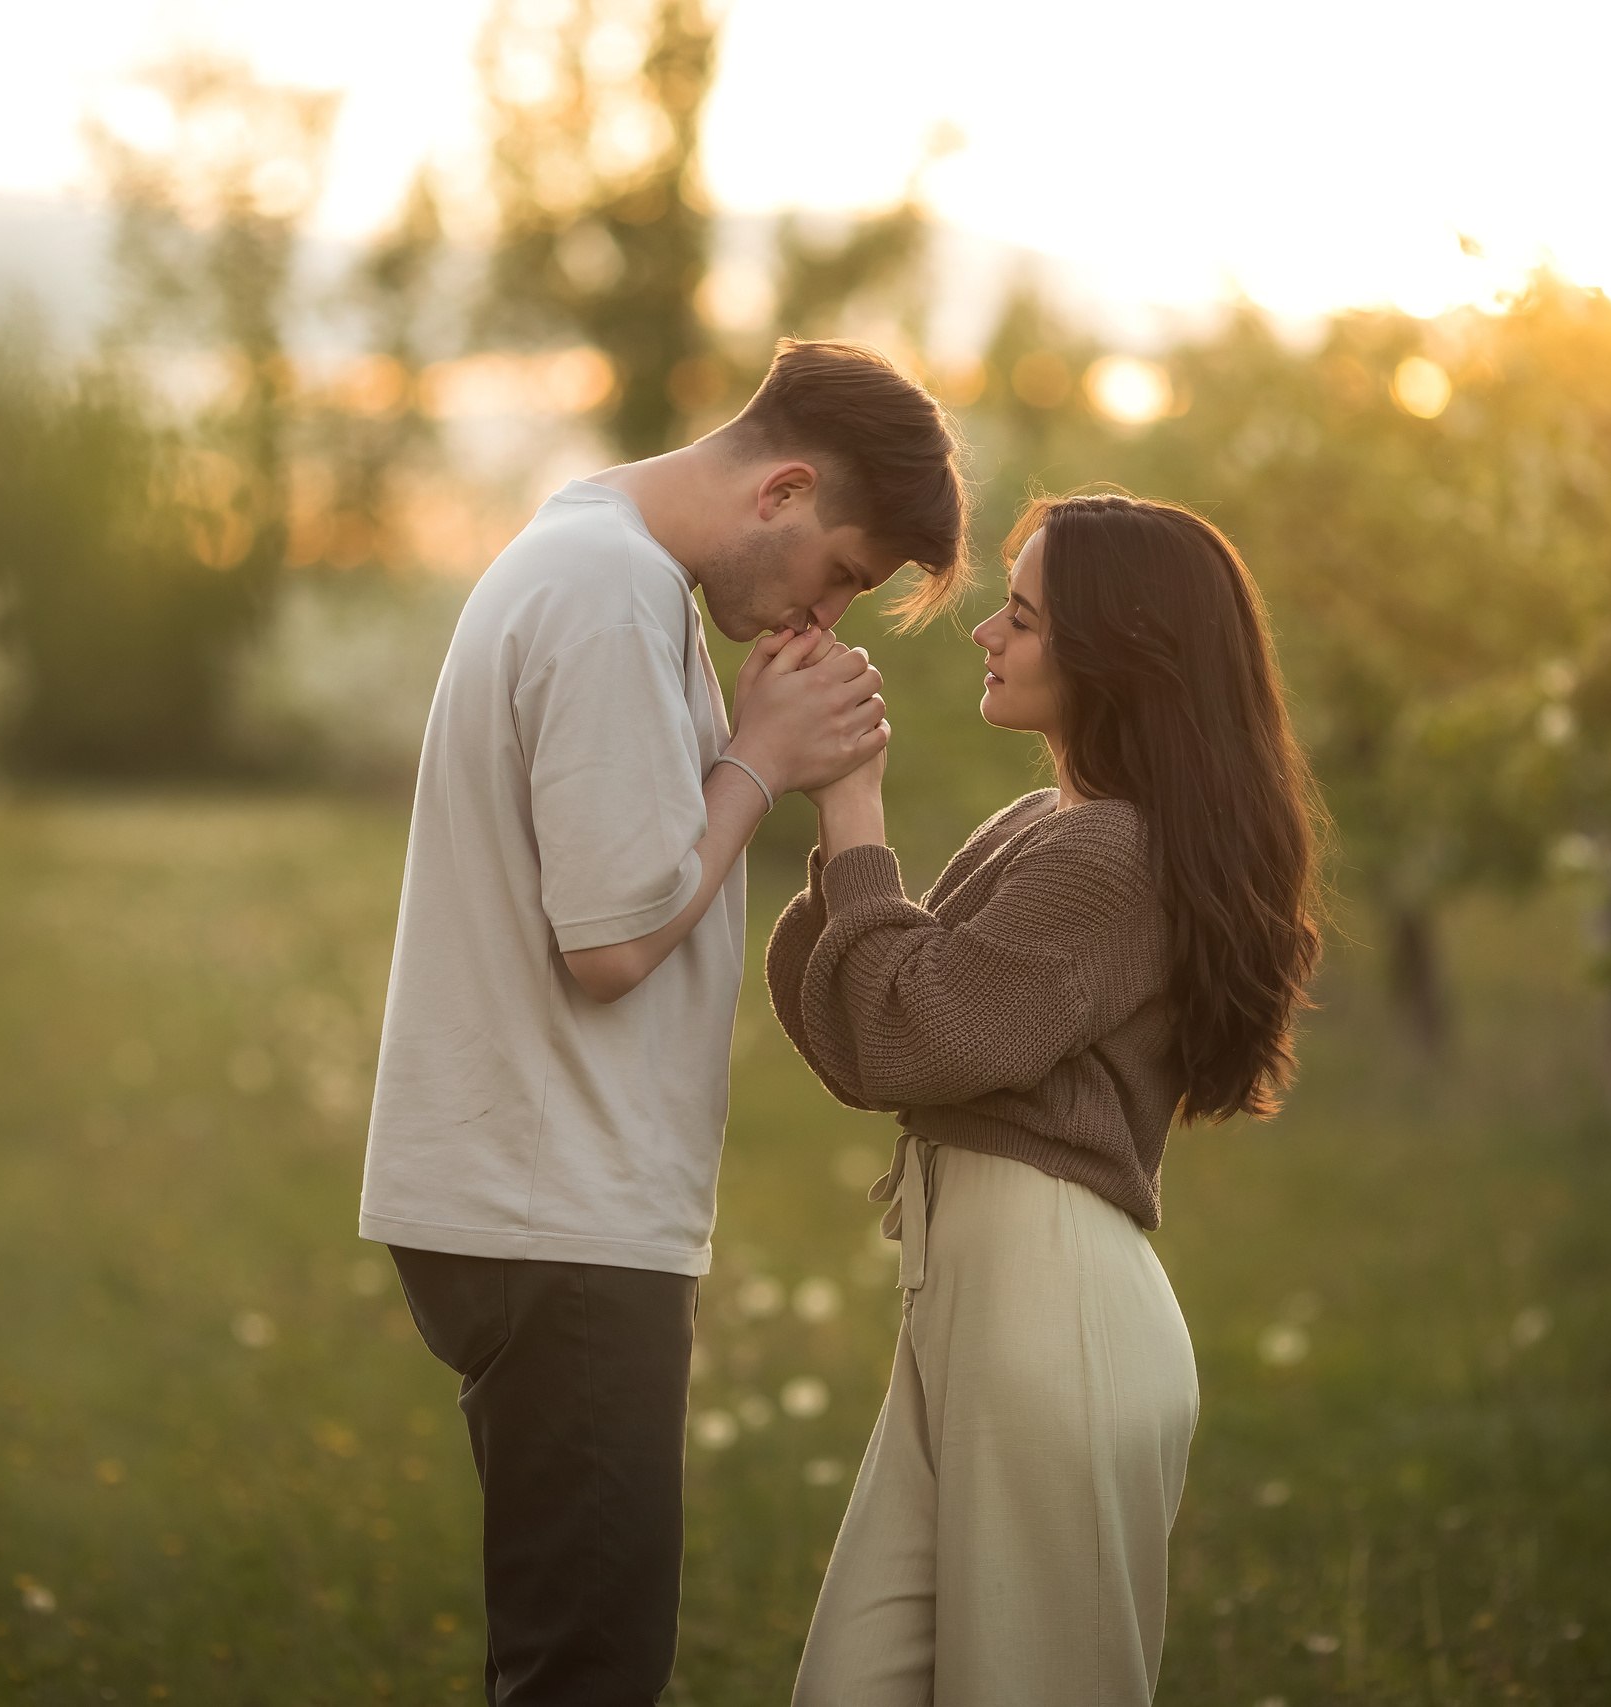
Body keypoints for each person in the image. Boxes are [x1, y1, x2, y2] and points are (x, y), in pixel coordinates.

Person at [359, 340, 970, 1706]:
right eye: (844, 571)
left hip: (537, 1197)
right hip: (555, 1209)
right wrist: (763, 761)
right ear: (785, 491)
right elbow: (615, 935)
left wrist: (761, 755)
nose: (823, 609)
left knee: (573, 1653)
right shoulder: (608, 594)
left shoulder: (603, 569)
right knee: (590, 1672)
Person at [767, 490, 1326, 1705]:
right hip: (969, 1314)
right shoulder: (1048, 827)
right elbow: (870, 1036)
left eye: (1020, 617)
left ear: (1118, 660)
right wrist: (829, 817)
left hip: (1049, 1318)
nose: (986, 633)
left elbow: (911, 1030)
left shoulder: (1115, 857)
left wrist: (851, 810)